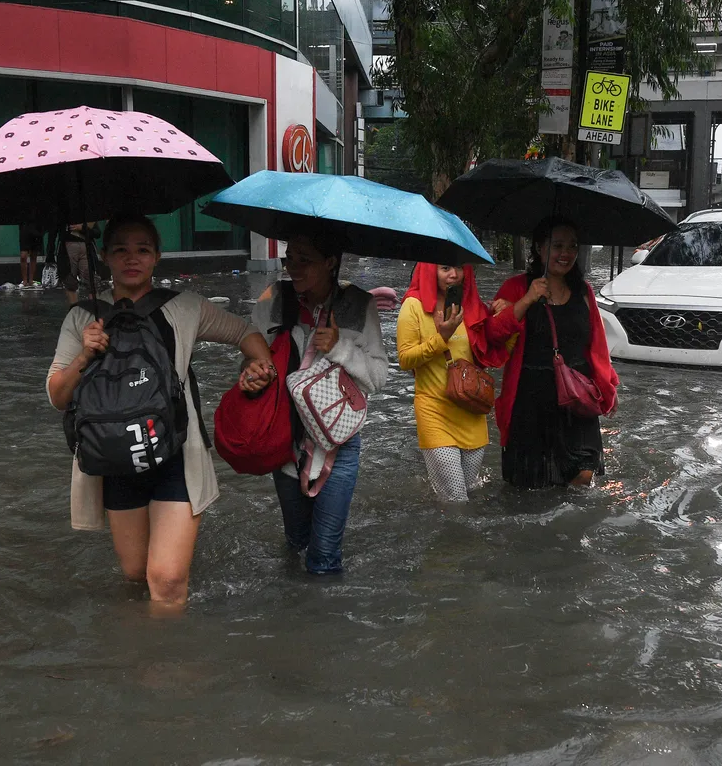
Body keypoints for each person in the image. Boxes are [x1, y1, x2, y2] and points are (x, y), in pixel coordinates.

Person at [47, 213, 276, 609]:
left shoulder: (184, 308)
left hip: (176, 453)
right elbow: (57, 396)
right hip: (115, 459)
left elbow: (244, 332)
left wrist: (260, 366)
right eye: (120, 250)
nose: (131, 258)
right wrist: (85, 353)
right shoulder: (82, 318)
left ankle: (165, 667)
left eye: (142, 250)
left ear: (157, 257)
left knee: (167, 580)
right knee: (137, 573)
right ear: (103, 255)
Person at [252, 229, 388, 574]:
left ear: (330, 262)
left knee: (324, 557)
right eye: (289, 259)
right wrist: (252, 372)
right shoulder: (273, 299)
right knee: (296, 544)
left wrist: (341, 348)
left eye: (304, 260)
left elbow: (377, 379)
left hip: (338, 446)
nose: (293, 268)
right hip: (282, 442)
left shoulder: (359, 305)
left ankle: (324, 622)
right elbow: (250, 354)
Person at [487, 221, 619, 488]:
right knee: (532, 487)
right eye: (557, 245)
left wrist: (608, 387)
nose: (566, 253)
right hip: (530, 401)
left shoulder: (584, 291)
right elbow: (492, 337)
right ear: (539, 247)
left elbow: (597, 345)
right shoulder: (515, 288)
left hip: (577, 398)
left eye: (572, 246)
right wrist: (526, 300)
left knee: (583, 474)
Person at [396, 262, 505, 501]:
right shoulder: (413, 306)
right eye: (445, 268)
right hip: (435, 412)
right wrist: (441, 337)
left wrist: (504, 315)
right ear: (429, 271)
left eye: (458, 268)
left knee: (469, 494)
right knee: (457, 501)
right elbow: (405, 359)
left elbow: (495, 351)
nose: (454, 275)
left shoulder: (473, 308)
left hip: (472, 411)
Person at [62, 221, 100, 305]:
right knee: (70, 280)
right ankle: (74, 310)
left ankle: (92, 310)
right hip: (68, 246)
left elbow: (97, 233)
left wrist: (82, 228)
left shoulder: (88, 215)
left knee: (90, 280)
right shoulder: (64, 213)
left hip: (86, 246)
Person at [18, 223, 44, 289]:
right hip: (25, 226)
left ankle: (31, 281)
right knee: (23, 256)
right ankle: (24, 281)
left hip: (36, 226)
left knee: (34, 255)